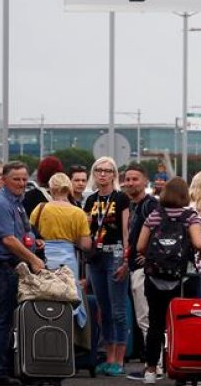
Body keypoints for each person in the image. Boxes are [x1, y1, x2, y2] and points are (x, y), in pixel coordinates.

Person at [136, 177, 201, 385]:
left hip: (155, 277)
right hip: (182, 278)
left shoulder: (155, 215)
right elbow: (199, 242)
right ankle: (183, 367)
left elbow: (140, 246)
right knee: (184, 323)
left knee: (156, 323)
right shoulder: (190, 216)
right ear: (185, 195)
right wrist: (200, 249)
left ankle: (150, 371)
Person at [0, 161, 45, 386]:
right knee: (4, 321)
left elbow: (22, 235)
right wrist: (34, 259)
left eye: (23, 179)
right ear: (4, 180)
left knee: (11, 321)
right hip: (3, 267)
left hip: (14, 267)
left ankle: (9, 368)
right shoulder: (1, 204)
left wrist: (33, 244)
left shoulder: (17, 203)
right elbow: (8, 240)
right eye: (16, 179)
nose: (21, 183)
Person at [32, 173, 94, 357]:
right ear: (68, 188)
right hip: (67, 259)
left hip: (44, 258)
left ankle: (45, 342)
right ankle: (69, 344)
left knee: (44, 298)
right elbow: (86, 245)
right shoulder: (77, 213)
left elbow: (30, 232)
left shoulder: (40, 208)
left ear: (50, 188)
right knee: (69, 299)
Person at [81, 157, 130, 377]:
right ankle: (108, 355)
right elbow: (85, 229)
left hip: (116, 253)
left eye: (107, 171)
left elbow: (126, 231)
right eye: (99, 170)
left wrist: (127, 261)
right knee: (104, 309)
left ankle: (119, 358)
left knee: (119, 309)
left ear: (113, 175)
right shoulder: (90, 200)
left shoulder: (121, 198)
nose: (102, 174)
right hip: (96, 257)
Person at [124, 163, 159, 371]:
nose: (130, 183)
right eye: (127, 179)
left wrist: (148, 258)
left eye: (135, 179)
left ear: (145, 181)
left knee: (146, 318)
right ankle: (153, 363)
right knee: (144, 318)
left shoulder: (150, 205)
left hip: (145, 271)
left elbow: (160, 234)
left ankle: (154, 365)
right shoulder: (134, 206)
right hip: (136, 268)